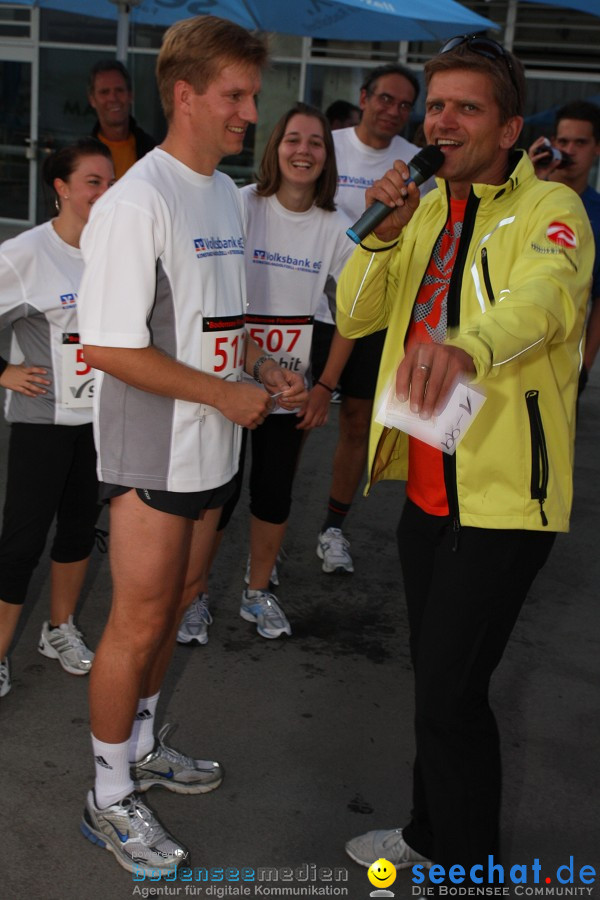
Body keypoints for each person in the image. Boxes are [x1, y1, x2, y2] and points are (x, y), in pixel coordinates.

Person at [337, 36, 593, 884]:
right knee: (439, 686)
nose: (440, 120)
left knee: (450, 692)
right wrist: (381, 239)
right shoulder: (427, 208)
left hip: (503, 503)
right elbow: (357, 316)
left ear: (509, 126)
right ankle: (425, 834)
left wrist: (468, 348)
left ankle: (468, 868)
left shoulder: (550, 208)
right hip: (426, 491)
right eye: (434, 104)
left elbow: (547, 301)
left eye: (465, 107)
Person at [76, 15, 305, 876]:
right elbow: (107, 344)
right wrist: (226, 392)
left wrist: (262, 368)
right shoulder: (139, 199)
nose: (252, 111)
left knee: (179, 602)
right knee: (134, 621)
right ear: (185, 95)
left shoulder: (218, 191)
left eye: (252, 93)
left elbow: (214, 318)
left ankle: (137, 750)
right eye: (236, 95)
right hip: (155, 448)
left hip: (217, 438)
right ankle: (105, 796)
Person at [177, 103, 354, 646]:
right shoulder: (238, 204)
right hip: (228, 374)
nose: (303, 151)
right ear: (275, 148)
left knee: (273, 491)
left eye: (316, 143)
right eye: (293, 139)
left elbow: (355, 313)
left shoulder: (335, 226)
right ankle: (193, 597)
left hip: (289, 387)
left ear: (328, 158)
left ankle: (256, 593)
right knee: (216, 494)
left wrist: (324, 387)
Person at [0, 138, 114, 700]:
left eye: (110, 182)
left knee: (77, 530)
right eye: (93, 181)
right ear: (61, 188)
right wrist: (3, 372)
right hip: (41, 423)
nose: (104, 192)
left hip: (98, 423)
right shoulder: (26, 253)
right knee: (21, 541)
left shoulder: (116, 250)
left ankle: (58, 629)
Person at [315, 63, 434, 576]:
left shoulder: (418, 165)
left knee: (357, 421)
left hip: (374, 315)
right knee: (294, 420)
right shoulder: (328, 146)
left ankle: (333, 528)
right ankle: (265, 533)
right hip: (315, 312)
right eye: (385, 99)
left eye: (405, 105)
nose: (393, 111)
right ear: (363, 97)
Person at [528, 101, 600, 391]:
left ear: (597, 148)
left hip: (562, 358)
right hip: (500, 345)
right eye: (563, 141)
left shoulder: (597, 212)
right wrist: (533, 179)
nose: (570, 150)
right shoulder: (527, 192)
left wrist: (587, 364)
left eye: (580, 142)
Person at [88, 60, 157, 179]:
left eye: (119, 90)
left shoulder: (152, 152)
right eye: (104, 92)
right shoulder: (82, 155)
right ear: (92, 100)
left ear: (130, 95)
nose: (113, 98)